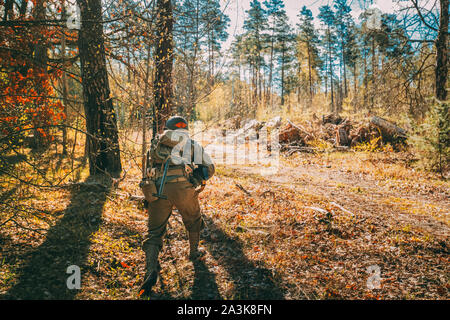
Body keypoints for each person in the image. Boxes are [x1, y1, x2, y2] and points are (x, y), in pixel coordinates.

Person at [139, 115, 215, 296]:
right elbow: (210, 167)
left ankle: (150, 270)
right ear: (185, 129)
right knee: (193, 219)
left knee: (154, 232)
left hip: (158, 191)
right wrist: (196, 179)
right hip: (183, 189)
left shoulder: (156, 144)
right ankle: (194, 252)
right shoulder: (190, 144)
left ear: (168, 128)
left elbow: (146, 170)